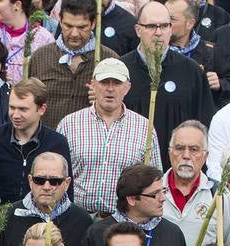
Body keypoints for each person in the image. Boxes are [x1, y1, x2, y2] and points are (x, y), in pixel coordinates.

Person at [58, 58, 161, 217]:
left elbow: (154, 181)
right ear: (92, 84)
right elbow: (58, 175)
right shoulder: (69, 124)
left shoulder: (145, 128)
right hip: (77, 217)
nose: (110, 89)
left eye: (117, 83)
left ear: (127, 88)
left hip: (122, 221)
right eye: (104, 82)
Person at [122, 2, 215, 169]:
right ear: (138, 30)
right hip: (130, 171)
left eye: (164, 26)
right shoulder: (122, 70)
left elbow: (204, 123)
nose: (158, 32)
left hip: (177, 172)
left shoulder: (191, 71)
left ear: (170, 29)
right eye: (151, 26)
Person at [73, 163, 190, 246]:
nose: (163, 198)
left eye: (163, 191)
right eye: (155, 194)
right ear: (132, 199)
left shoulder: (172, 233)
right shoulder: (97, 233)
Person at [0, 152, 95, 246]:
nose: (47, 187)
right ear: (30, 181)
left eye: (54, 181)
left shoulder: (82, 220)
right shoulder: (7, 215)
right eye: (39, 180)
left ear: (66, 183)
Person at [167, 120, 230, 246]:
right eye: (179, 148)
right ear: (170, 152)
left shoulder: (219, 194)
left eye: (194, 149)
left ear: (206, 155)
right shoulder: (153, 192)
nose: (186, 156)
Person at [28, 0, 102, 127]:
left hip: (88, 141)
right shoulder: (40, 57)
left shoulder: (107, 60)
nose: (74, 33)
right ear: (60, 21)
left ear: (93, 24)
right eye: (68, 26)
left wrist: (104, 98)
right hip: (46, 142)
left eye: (82, 27)